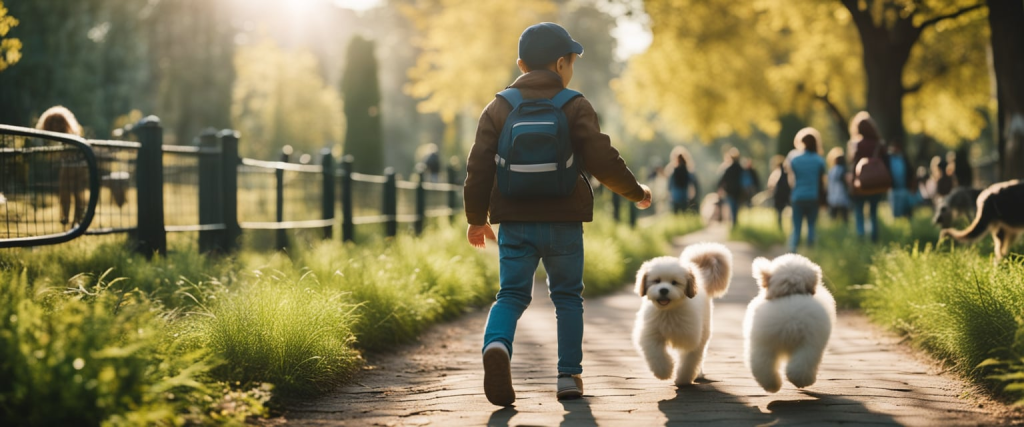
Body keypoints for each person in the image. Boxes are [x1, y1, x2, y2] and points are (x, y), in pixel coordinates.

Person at [463, 22, 652, 406]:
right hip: (564, 220)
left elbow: (478, 166)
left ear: (520, 64)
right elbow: (603, 159)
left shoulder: (498, 107)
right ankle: (569, 376)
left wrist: (476, 218)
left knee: (511, 295)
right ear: (563, 63)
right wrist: (637, 193)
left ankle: (497, 346)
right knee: (568, 297)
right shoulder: (574, 104)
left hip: (514, 222)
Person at [35, 106, 86, 227]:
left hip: (78, 166)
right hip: (66, 166)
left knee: (78, 193)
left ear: (64, 123)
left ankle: (78, 220)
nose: (55, 125)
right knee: (64, 193)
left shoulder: (72, 137)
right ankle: (65, 218)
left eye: (58, 122)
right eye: (52, 122)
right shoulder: (57, 139)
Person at [846, 111, 888, 242]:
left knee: (859, 211)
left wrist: (853, 182)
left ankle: (861, 236)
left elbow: (853, 165)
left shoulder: (857, 145)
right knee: (873, 213)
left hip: (862, 183)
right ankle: (874, 238)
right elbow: (886, 162)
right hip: (876, 183)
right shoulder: (879, 144)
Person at [785, 127, 826, 253]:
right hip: (813, 197)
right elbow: (822, 181)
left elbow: (790, 180)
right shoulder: (819, 160)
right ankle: (811, 254)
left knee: (796, 228)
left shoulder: (795, 159)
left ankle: (792, 253)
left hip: (797, 197)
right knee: (811, 227)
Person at [716, 147, 743, 226]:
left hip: (730, 191)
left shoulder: (728, 168)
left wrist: (719, 188)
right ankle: (735, 222)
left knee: (732, 207)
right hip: (739, 191)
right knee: (736, 207)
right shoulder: (741, 168)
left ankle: (733, 223)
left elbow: (722, 180)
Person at [668, 146, 699, 214]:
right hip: (684, 192)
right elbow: (692, 181)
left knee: (676, 211)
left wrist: (669, 191)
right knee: (684, 210)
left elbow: (670, 183)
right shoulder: (687, 170)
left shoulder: (674, 169)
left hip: (675, 193)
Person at [887, 144, 915, 220]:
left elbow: (910, 172)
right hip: (894, 188)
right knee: (896, 209)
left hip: (904, 188)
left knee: (905, 208)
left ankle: (905, 221)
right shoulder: (889, 159)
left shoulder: (904, 159)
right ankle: (898, 223)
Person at [825, 148, 850, 223]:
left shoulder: (831, 170)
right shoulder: (843, 169)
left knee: (833, 215)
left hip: (832, 194)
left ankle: (834, 226)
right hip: (842, 194)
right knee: (844, 215)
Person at [765, 154, 791, 230]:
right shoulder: (787, 172)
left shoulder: (776, 172)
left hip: (778, 195)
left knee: (779, 212)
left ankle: (779, 228)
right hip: (787, 194)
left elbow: (771, 184)